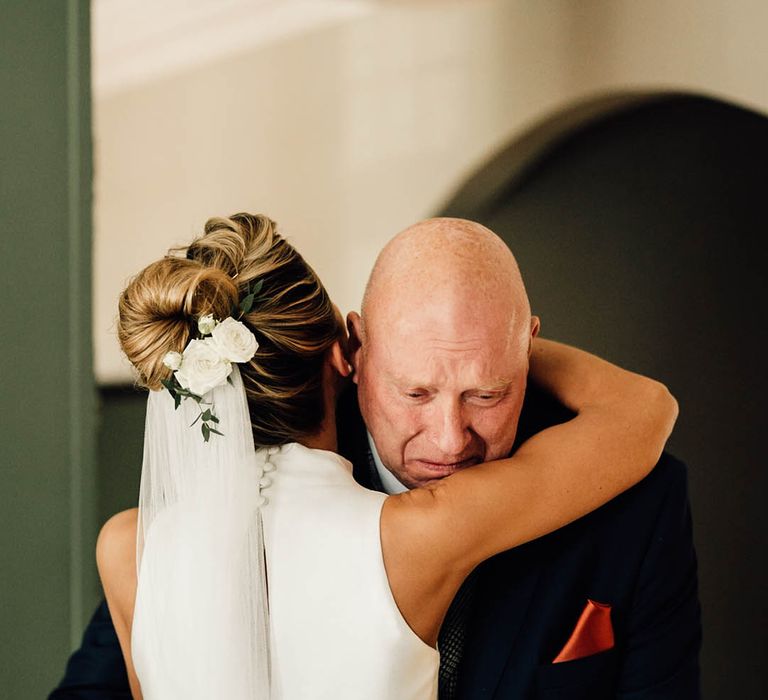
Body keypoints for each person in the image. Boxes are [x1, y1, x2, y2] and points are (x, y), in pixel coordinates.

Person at [48, 215, 692, 699]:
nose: (450, 440)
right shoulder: (419, 534)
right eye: (414, 390)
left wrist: (458, 345)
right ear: (350, 353)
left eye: (488, 392)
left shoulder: (134, 546)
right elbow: (645, 409)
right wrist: (489, 355)